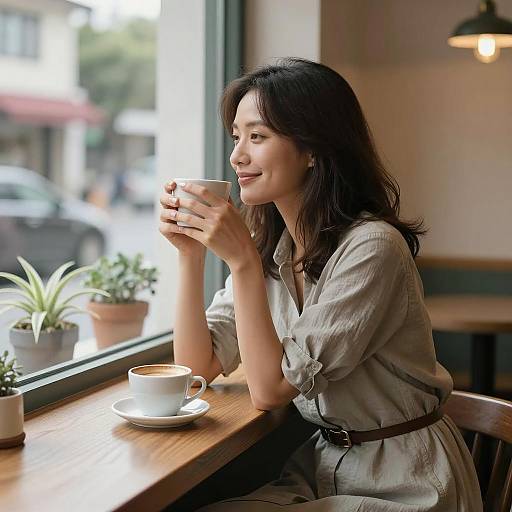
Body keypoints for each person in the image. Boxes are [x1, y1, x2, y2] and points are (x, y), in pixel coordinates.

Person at [159, 58, 482, 511]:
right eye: (236, 136)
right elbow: (195, 368)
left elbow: (269, 390)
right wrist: (189, 255)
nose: (236, 156)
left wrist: (242, 263)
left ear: (313, 149)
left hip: (408, 482)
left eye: (258, 136)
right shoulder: (275, 250)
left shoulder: (373, 248)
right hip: (325, 467)